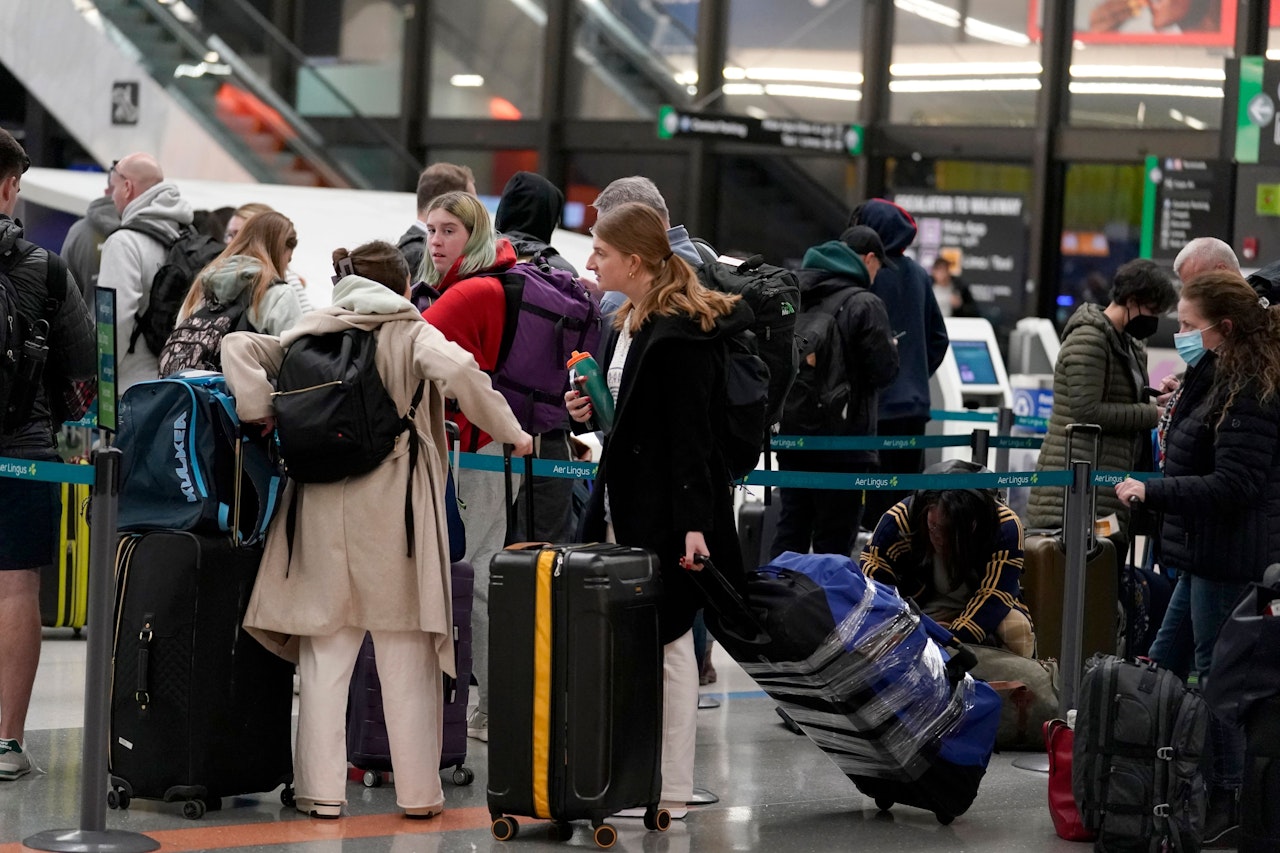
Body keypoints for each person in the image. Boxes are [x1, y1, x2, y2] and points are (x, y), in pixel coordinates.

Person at [221, 240, 532, 819]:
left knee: (324, 659)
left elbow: (237, 345)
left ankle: (320, 792)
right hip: (396, 515)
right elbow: (462, 371)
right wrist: (513, 433)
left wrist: (259, 409)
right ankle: (417, 795)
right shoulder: (410, 333)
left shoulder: (307, 331)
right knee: (406, 656)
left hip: (316, 510)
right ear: (403, 287)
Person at [565, 201, 749, 819]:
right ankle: (637, 777)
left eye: (602, 252)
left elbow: (691, 435)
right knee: (635, 643)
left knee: (671, 644)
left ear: (634, 262)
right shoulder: (628, 321)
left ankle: (669, 785)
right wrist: (589, 412)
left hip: (669, 514)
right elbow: (633, 418)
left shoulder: (683, 332)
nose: (592, 262)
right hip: (625, 501)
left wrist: (696, 525)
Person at [1116, 271, 1280, 848]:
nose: (1179, 333)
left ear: (1224, 329)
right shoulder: (1217, 377)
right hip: (1202, 554)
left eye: (1187, 325)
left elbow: (1234, 483)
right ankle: (1145, 782)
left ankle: (1228, 799)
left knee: (1220, 681)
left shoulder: (1249, 390)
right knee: (1160, 665)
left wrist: (1151, 491)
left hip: (1228, 558)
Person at [0, 129, 96, 780]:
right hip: (23, 448)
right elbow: (86, 372)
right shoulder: (47, 266)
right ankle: (7, 743)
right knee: (16, 588)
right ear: (10, 186)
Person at [417, 191, 519, 744]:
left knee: (477, 576)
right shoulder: (486, 284)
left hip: (477, 453)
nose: (436, 241)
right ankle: (489, 700)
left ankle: (494, 704)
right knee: (479, 572)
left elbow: (409, 346)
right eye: (431, 230)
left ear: (474, 234)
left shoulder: (468, 295)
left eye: (450, 230)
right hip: (488, 451)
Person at [770, 226, 898, 558]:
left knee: (791, 528)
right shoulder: (865, 304)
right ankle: (831, 609)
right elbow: (884, 371)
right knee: (835, 541)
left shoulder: (793, 295)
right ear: (868, 261)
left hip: (793, 434)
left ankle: (777, 602)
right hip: (846, 443)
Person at [1028, 258, 1177, 543]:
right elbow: (1087, 410)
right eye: (1151, 310)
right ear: (1131, 300)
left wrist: (1157, 399)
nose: (1154, 319)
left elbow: (1124, 397)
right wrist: (1153, 414)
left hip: (1106, 486)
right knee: (1081, 580)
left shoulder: (1128, 343)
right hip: (1075, 490)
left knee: (1106, 576)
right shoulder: (1089, 338)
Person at [860, 460, 1035, 657]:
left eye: (950, 532)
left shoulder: (1004, 527)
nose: (940, 539)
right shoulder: (899, 521)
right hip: (917, 606)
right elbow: (873, 585)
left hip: (980, 606)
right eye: (934, 527)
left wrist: (952, 638)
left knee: (1017, 632)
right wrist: (905, 627)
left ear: (974, 524)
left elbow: (995, 596)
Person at [847, 200, 950, 524]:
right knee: (908, 504)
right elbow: (938, 338)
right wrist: (915, 373)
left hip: (877, 406)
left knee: (873, 506)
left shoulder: (868, 274)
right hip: (915, 405)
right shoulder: (919, 274)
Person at [494, 171, 580, 544]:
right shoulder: (563, 272)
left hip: (483, 429)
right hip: (546, 431)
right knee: (546, 546)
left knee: (484, 542)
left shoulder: (479, 261)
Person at [97, 152, 194, 392]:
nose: (112, 195)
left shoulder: (124, 242)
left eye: (115, 186)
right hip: (178, 382)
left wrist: (102, 378)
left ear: (127, 187)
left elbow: (115, 318)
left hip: (132, 388)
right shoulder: (186, 235)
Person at [174, 210, 305, 336]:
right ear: (280, 250)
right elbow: (293, 353)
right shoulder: (279, 294)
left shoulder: (206, 279)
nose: (286, 266)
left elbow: (180, 331)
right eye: (288, 259)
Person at [397, 162, 477, 284]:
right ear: (449, 201)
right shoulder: (420, 255)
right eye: (472, 203)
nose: (477, 211)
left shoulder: (410, 249)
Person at [223, 202, 311, 312]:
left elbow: (307, 323)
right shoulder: (220, 276)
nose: (230, 242)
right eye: (229, 234)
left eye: (238, 235)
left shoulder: (287, 279)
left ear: (263, 237)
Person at [59, 170, 120, 300]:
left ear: (106, 191)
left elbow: (63, 293)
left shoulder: (78, 232)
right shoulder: (153, 233)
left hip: (86, 318)